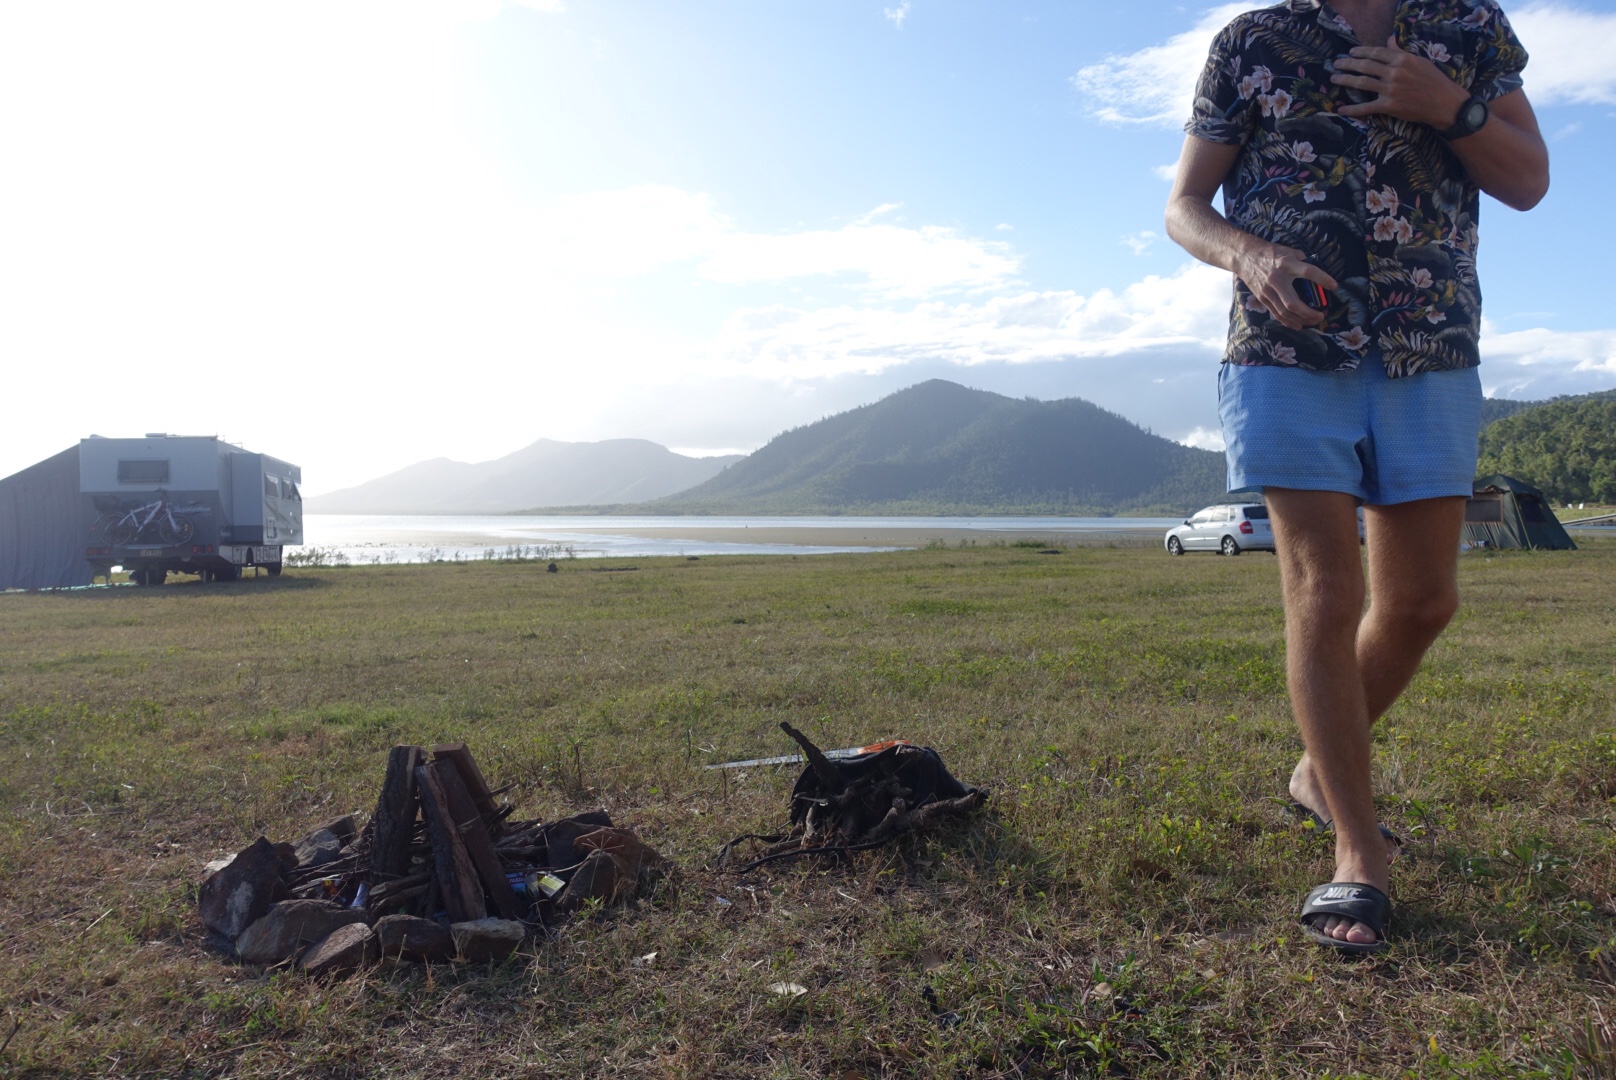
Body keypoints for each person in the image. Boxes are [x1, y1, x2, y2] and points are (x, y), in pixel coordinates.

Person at [1164, 0, 1548, 953]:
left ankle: (1314, 772)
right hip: (1288, 351)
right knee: (1326, 593)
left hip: (1430, 346)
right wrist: (1249, 253)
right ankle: (1356, 848)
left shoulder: (1469, 29)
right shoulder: (1251, 42)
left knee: (1421, 602)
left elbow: (1529, 181)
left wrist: (1448, 105)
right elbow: (1184, 207)